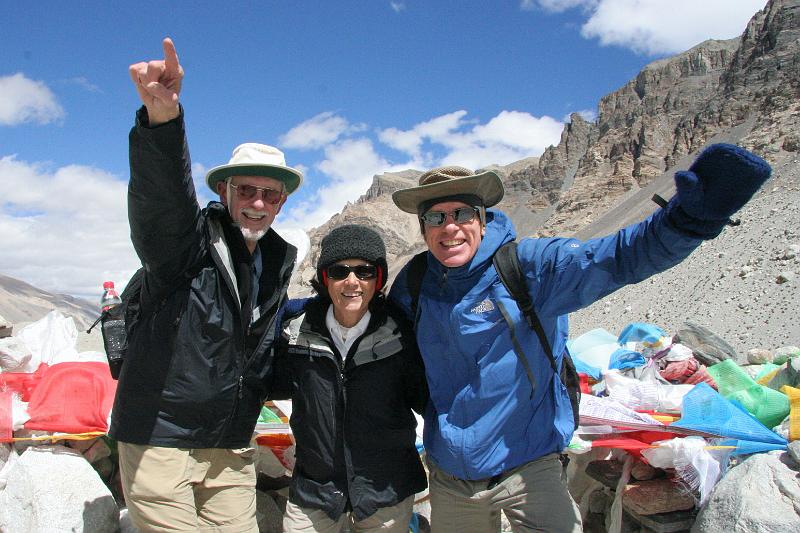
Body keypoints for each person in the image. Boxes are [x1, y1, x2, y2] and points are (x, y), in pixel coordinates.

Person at [387, 146, 771, 532]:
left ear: (482, 219)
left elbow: (617, 257)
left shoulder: (529, 267)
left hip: (529, 465)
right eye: (436, 217)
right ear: (424, 228)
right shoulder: (414, 284)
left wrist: (685, 222)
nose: (449, 227)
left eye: (461, 213)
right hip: (451, 474)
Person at [109, 37, 303, 532]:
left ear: (281, 202)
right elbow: (161, 203)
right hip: (161, 441)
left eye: (270, 194)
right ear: (224, 190)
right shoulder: (187, 243)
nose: (257, 203)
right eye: (247, 189)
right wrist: (163, 122)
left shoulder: (275, 265)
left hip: (230, 447)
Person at [270, 224, 428, 533]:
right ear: (325, 278)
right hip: (314, 491)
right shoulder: (296, 331)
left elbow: (426, 397)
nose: (352, 281)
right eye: (339, 271)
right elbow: (267, 380)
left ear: (378, 278)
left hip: (385, 493)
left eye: (364, 271)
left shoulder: (401, 333)